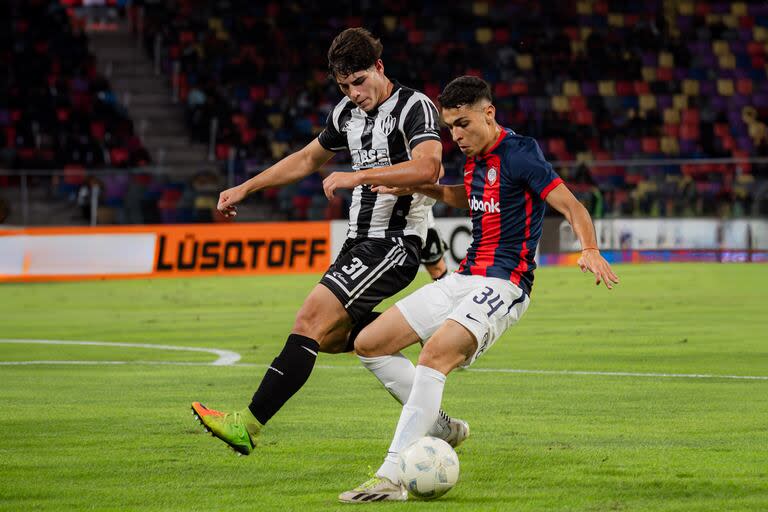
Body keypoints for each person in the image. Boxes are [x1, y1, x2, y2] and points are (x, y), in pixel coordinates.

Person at [338, 76, 619, 502]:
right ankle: (439, 427)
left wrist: (591, 248)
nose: (456, 136)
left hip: (505, 283)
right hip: (463, 276)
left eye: (463, 124)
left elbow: (571, 205)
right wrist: (416, 186)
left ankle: (392, 476)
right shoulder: (473, 157)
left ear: (489, 113)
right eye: (450, 127)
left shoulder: (521, 154)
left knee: (434, 356)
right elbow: (467, 197)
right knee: (370, 342)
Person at [191, 28, 469, 455]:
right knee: (343, 339)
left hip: (393, 243)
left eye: (359, 81)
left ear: (379, 67)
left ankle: (247, 424)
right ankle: (435, 404)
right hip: (357, 244)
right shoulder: (345, 114)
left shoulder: (416, 107)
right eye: (344, 86)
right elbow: (306, 159)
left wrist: (359, 175)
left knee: (309, 320)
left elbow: (429, 168)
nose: (354, 93)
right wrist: (245, 188)